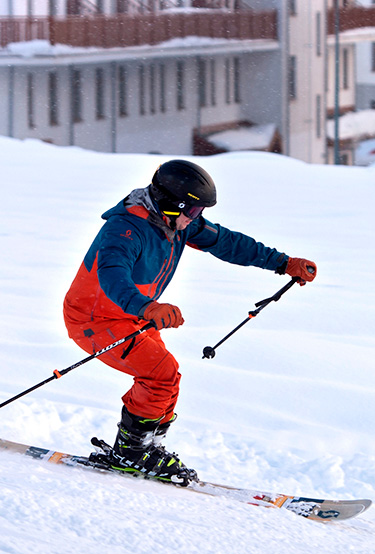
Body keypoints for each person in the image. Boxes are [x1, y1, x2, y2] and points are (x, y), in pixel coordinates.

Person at [62, 159, 317, 485]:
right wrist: (147, 306)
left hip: (133, 315)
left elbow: (228, 243)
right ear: (170, 205)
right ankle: (131, 454)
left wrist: (283, 263)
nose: (196, 219)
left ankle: (146, 448)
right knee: (160, 373)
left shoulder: (175, 223)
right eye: (193, 211)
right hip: (95, 317)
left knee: (167, 377)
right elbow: (112, 276)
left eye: (199, 213)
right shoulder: (125, 229)